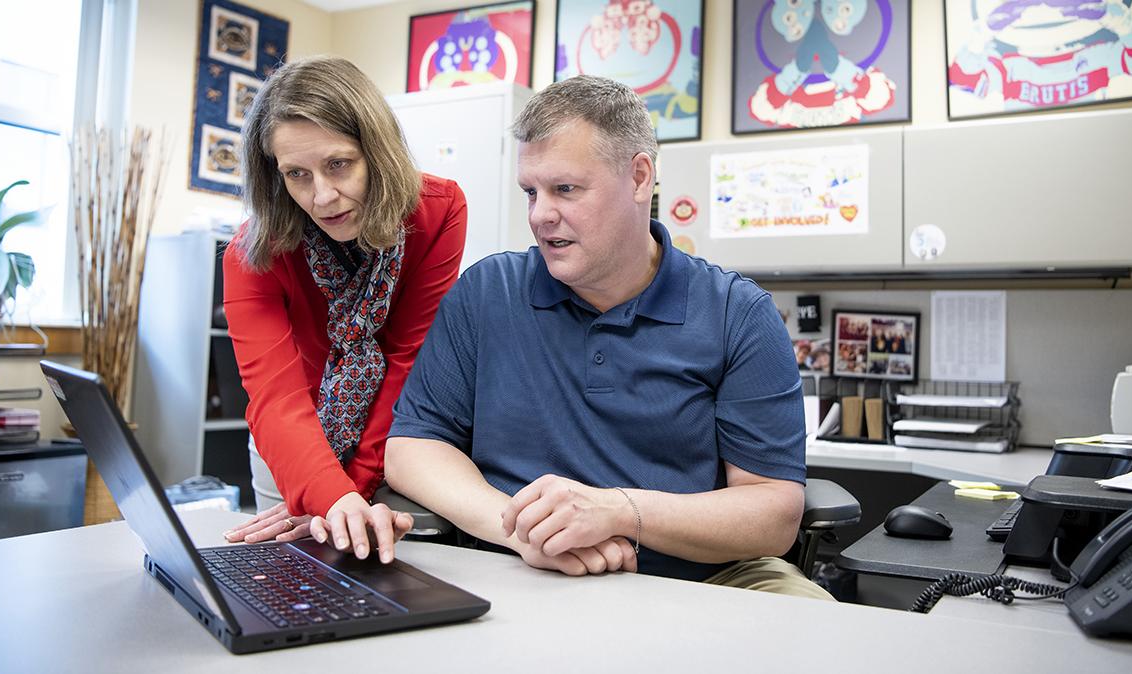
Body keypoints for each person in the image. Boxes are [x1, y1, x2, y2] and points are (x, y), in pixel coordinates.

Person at [382, 75, 832, 598]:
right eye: (531, 192)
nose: (540, 215)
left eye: (566, 189)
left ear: (639, 177)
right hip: (519, 568)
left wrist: (620, 512)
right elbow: (414, 446)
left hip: (702, 579)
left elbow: (772, 513)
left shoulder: (739, 313)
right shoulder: (487, 292)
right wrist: (523, 529)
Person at [220, 56, 468, 565]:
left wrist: (344, 496)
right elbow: (275, 398)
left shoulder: (440, 211)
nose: (323, 196)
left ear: (375, 151)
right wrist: (324, 495)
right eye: (296, 174)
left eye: (339, 164)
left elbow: (405, 360)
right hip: (292, 447)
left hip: (394, 441)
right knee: (293, 579)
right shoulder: (252, 255)